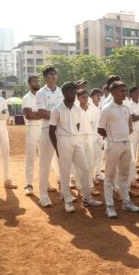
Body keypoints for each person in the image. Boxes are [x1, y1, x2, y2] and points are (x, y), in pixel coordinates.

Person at [49, 82, 103, 213]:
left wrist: (75, 137)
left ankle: (87, 198)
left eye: (74, 92)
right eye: (70, 92)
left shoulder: (77, 109)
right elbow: (51, 131)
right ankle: (68, 200)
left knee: (85, 169)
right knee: (65, 173)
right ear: (64, 94)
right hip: (63, 141)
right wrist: (57, 149)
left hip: (76, 140)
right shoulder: (56, 109)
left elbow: (77, 125)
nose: (73, 95)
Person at [98, 81, 139, 218]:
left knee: (124, 176)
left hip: (126, 143)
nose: (124, 93)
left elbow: (129, 125)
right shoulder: (107, 109)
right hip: (113, 145)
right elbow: (100, 129)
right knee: (109, 177)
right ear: (113, 93)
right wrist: (112, 139)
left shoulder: (126, 107)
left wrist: (124, 134)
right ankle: (110, 206)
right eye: (121, 91)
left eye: (124, 90)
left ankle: (126, 202)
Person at [37, 67, 63, 207]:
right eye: (51, 74)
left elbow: (65, 110)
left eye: (55, 74)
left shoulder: (61, 91)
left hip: (61, 130)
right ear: (46, 77)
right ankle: (43, 196)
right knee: (45, 164)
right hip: (47, 129)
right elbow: (41, 112)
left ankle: (65, 193)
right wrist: (57, 115)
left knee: (63, 162)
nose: (53, 76)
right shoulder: (41, 93)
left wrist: (53, 114)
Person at [21, 75, 43, 196]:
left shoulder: (43, 96)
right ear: (29, 84)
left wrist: (38, 114)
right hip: (32, 129)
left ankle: (45, 183)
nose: (37, 83)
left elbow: (47, 113)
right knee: (30, 157)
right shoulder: (26, 98)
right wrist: (41, 114)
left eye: (38, 81)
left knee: (44, 157)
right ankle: (29, 184)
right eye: (34, 81)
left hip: (43, 128)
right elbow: (29, 115)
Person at [76, 88, 100, 196]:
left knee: (90, 163)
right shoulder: (75, 109)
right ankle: (80, 187)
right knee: (80, 164)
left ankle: (90, 186)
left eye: (86, 97)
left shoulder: (92, 109)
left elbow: (94, 124)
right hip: (79, 138)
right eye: (83, 97)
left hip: (90, 137)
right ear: (78, 98)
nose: (85, 99)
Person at [128, 86, 139, 187]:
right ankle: (132, 178)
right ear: (131, 94)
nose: (138, 94)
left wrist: (137, 116)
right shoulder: (128, 104)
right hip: (133, 132)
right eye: (136, 92)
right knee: (132, 156)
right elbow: (131, 118)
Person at [90, 88, 105, 182]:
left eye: (100, 95)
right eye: (97, 95)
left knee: (100, 155)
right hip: (91, 135)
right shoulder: (89, 107)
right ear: (92, 97)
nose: (99, 97)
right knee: (92, 156)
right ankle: (91, 176)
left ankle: (98, 173)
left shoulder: (101, 107)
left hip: (100, 134)